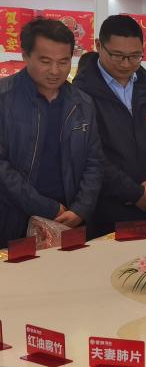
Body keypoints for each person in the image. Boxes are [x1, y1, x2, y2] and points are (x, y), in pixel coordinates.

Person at [0, 18, 104, 247]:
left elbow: (94, 162)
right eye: (45, 61)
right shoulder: (4, 98)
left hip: (69, 218)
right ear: (25, 56)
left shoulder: (82, 102)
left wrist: (81, 208)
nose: (55, 71)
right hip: (11, 218)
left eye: (64, 62)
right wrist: (47, 208)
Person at [73, 15, 146, 238]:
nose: (126, 64)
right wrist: (135, 193)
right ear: (98, 46)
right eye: (117, 55)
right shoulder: (80, 93)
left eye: (135, 56)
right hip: (105, 213)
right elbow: (90, 155)